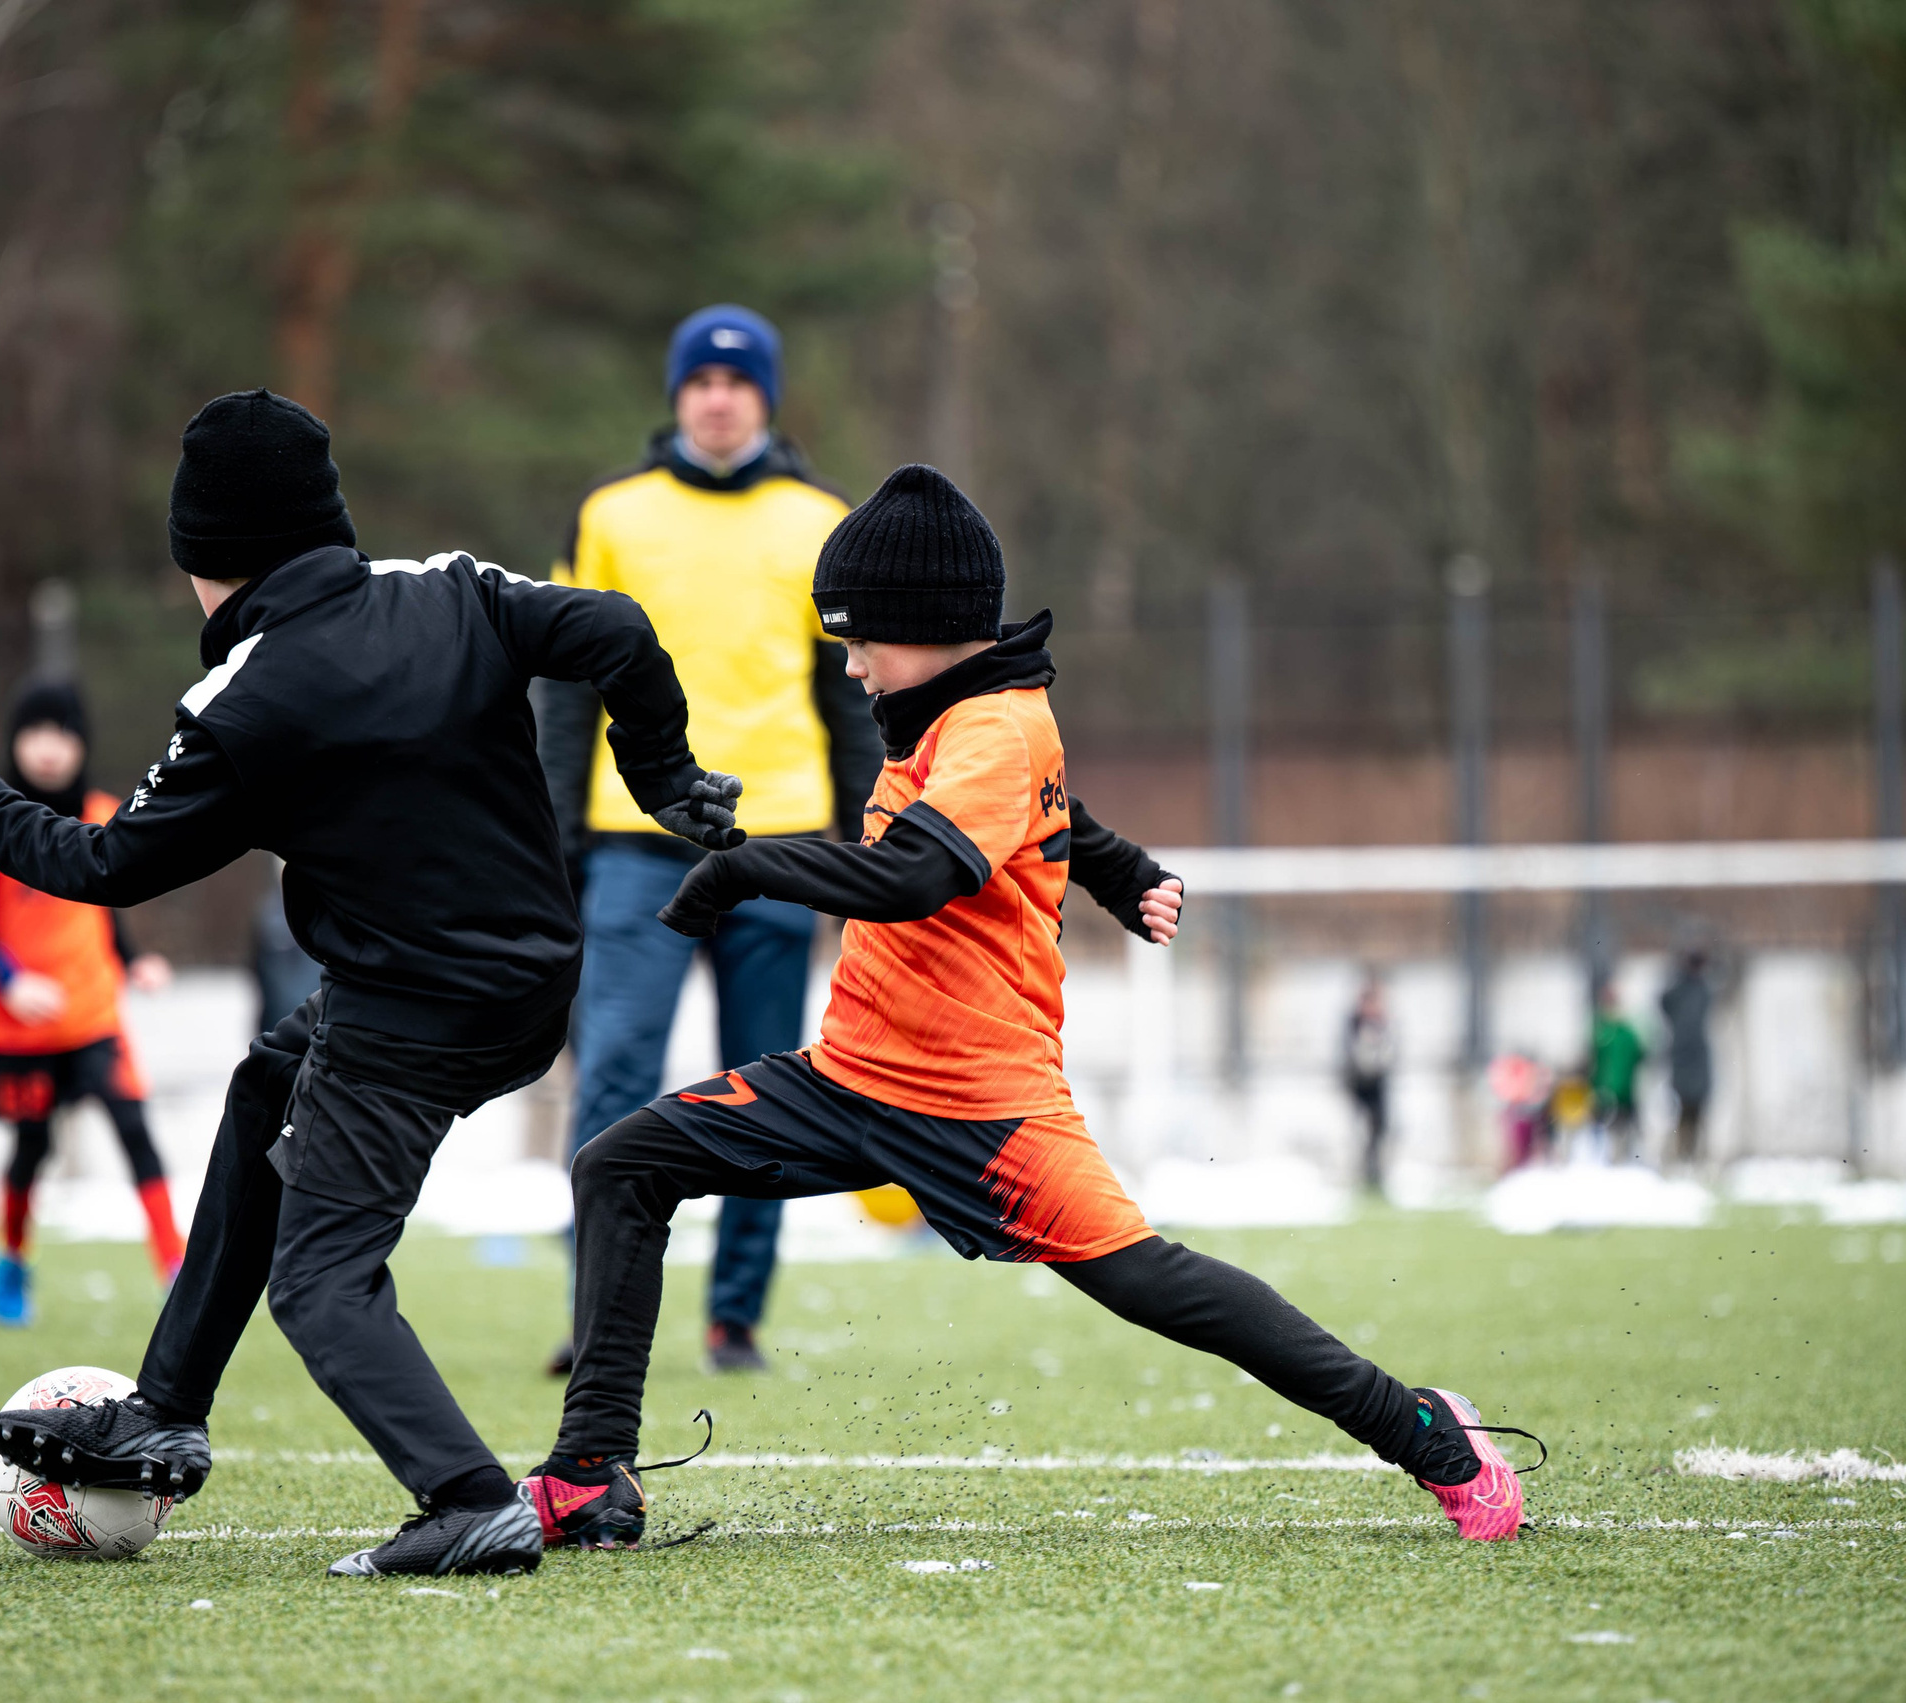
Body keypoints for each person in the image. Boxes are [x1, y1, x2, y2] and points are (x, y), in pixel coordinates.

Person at [515, 466, 1537, 1553]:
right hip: (851, 1073)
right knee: (621, 1163)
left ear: (935, 628)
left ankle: (1428, 1433)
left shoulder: (993, 726)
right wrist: (1118, 867)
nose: (851, 666)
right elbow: (1056, 816)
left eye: (862, 641)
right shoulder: (949, 708)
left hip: (980, 1106)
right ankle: (589, 1473)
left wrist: (742, 872)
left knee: (1155, 1283)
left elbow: (917, 872)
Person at [0, 389, 739, 1578]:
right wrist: (659, 773)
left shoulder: (244, 703)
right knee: (266, 1084)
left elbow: (102, 864)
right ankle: (165, 1406)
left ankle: (466, 1499)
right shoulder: (450, 587)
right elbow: (615, 627)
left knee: (321, 1279)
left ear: (210, 558)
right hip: (528, 985)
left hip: (407, 1014)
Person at [539, 304, 882, 1377]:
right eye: (700, 380)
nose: (718, 396)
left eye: (737, 381)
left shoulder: (820, 518)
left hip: (778, 841)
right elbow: (560, 686)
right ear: (676, 393)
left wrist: (873, 842)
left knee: (768, 1084)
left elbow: (853, 698)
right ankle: (595, 1309)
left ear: (765, 397)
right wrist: (550, 837)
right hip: (630, 839)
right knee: (614, 1077)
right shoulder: (610, 514)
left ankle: (734, 1318)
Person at [0, 680, 178, 1325]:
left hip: (94, 1017)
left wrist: (135, 962)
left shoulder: (105, 811)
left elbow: (107, 909)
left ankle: (178, 1270)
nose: (50, 749)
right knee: (31, 1152)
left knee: (136, 1132)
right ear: (15, 741)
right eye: (36, 733)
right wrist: (9, 980)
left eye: (63, 734)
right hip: (22, 1029)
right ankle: (11, 1262)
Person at [1341, 971, 1396, 1194]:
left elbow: (1390, 1054)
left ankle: (1376, 1175)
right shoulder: (1353, 1023)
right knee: (1359, 1132)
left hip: (1378, 1086)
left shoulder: (1384, 1023)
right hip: (1358, 1085)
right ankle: (1361, 1174)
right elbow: (1349, 1055)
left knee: (1380, 1130)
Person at [1659, 950, 1713, 1168]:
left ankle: (1692, 1156)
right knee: (1684, 1113)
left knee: (1694, 1112)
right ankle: (1683, 1155)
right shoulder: (1686, 992)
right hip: (1686, 1060)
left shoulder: (1700, 991)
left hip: (1692, 1061)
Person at [1587, 979, 1646, 1163]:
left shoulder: (1617, 1033)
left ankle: (1620, 1160)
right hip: (1607, 1091)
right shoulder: (1603, 1032)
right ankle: (1611, 1159)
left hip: (1621, 1092)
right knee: (1607, 1133)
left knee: (1620, 1131)